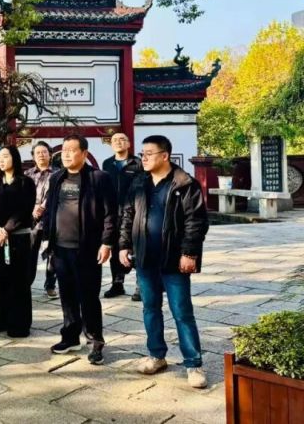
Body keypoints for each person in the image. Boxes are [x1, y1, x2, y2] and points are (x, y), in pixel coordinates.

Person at [119, 135, 210, 388]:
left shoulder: (184, 184)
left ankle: (193, 363)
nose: (144, 158)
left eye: (149, 153)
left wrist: (189, 253)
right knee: (150, 308)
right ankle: (156, 355)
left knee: (182, 312)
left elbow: (196, 222)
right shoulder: (139, 182)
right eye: (142, 154)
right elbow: (127, 215)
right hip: (145, 258)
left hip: (174, 260)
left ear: (165, 155)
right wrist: (124, 245)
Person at [42, 135, 116, 365]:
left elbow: (110, 213)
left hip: (87, 249)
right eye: (64, 149)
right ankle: (71, 336)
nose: (66, 154)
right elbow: (50, 210)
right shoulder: (56, 178)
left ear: (84, 153)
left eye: (72, 150)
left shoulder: (99, 178)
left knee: (89, 297)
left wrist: (107, 242)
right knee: (67, 296)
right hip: (60, 248)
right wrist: (47, 239)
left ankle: (95, 341)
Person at [0, 146, 36, 338]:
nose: (1, 160)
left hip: (18, 237)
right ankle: (4, 315)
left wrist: (6, 229)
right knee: (3, 278)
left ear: (14, 158)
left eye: (5, 156)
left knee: (19, 280)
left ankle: (20, 322)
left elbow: (24, 210)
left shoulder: (25, 183)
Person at [102, 133, 143, 301]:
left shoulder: (138, 163)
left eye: (122, 140)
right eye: (114, 140)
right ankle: (117, 283)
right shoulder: (107, 164)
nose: (118, 142)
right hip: (113, 212)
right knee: (115, 249)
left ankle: (140, 286)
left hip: (134, 212)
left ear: (128, 144)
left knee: (137, 248)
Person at [24, 141, 58, 299]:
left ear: (50, 155)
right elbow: (22, 195)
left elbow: (57, 195)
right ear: (33, 156)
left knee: (52, 254)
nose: (41, 155)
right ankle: (26, 283)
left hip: (52, 219)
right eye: (38, 152)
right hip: (32, 220)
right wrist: (32, 208)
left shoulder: (58, 174)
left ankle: (50, 285)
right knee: (29, 253)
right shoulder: (27, 174)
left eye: (44, 152)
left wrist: (43, 206)